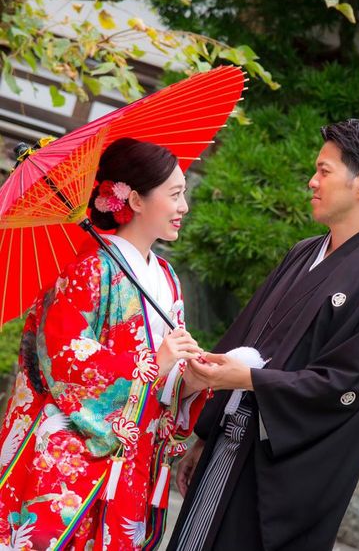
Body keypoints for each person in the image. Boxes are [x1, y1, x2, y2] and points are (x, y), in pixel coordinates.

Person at [169, 119, 359, 551]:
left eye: (324, 171)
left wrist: (249, 379)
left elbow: (345, 387)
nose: (312, 181)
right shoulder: (304, 252)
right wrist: (205, 434)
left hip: (275, 472)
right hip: (229, 439)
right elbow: (245, 333)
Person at [0, 138, 208, 549]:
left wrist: (189, 382)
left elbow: (165, 379)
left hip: (133, 459)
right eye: (174, 195)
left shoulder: (167, 278)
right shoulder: (89, 268)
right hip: (77, 459)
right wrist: (154, 363)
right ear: (136, 199)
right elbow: (64, 358)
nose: (184, 206)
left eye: (183, 194)